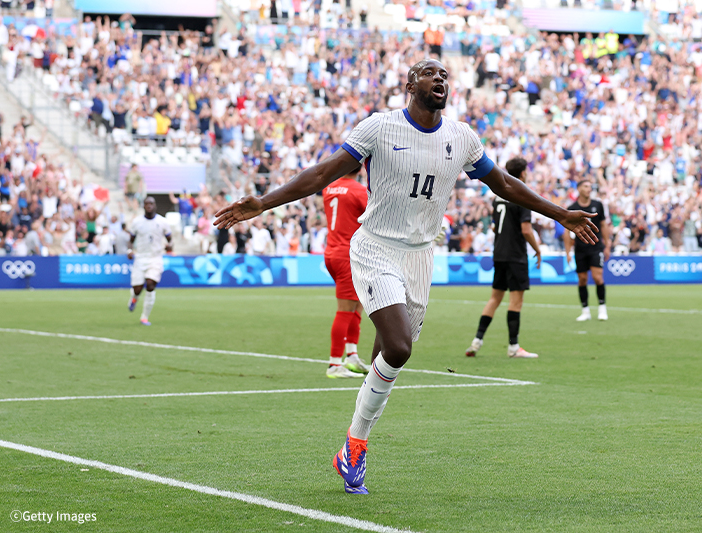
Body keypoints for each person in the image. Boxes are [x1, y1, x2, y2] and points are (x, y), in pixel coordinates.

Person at [213, 59, 598, 495]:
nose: (441, 80)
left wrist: (560, 213)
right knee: (399, 347)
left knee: (386, 357)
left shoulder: (461, 137)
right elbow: (323, 173)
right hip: (375, 247)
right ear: (410, 83)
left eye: (445, 76)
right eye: (431, 73)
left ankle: (352, 443)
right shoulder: (379, 128)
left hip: (419, 258)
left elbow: (505, 184)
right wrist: (264, 202)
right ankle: (356, 447)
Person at [465, 157, 543, 359]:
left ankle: (477, 341)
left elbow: (494, 225)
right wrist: (537, 249)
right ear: (523, 173)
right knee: (515, 301)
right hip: (515, 254)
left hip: (499, 253)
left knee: (494, 298)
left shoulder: (497, 195)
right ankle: (513, 347)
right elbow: (526, 229)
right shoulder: (522, 194)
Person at [322, 167, 369, 379]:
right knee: (346, 308)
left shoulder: (330, 188)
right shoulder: (359, 191)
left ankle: (351, 356)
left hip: (332, 251)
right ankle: (334, 364)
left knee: (358, 303)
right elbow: (373, 217)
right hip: (348, 254)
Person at [564, 179, 612, 322]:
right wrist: (568, 251)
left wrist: (607, 244)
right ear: (578, 189)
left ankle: (602, 308)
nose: (589, 189)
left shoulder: (598, 205)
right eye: (585, 186)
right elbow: (567, 232)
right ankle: (585, 311)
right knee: (582, 279)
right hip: (580, 249)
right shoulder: (571, 207)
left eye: (590, 187)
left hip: (596, 247)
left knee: (598, 277)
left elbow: (603, 226)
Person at [127, 197, 172, 326]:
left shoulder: (162, 222)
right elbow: (130, 239)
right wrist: (130, 250)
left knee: (150, 284)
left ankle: (144, 317)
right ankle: (134, 298)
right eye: (146, 203)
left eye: (151, 203)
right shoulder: (137, 222)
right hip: (141, 257)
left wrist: (170, 246)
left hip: (155, 257)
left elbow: (170, 239)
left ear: (155, 205)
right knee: (137, 289)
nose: (149, 205)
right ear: (144, 206)